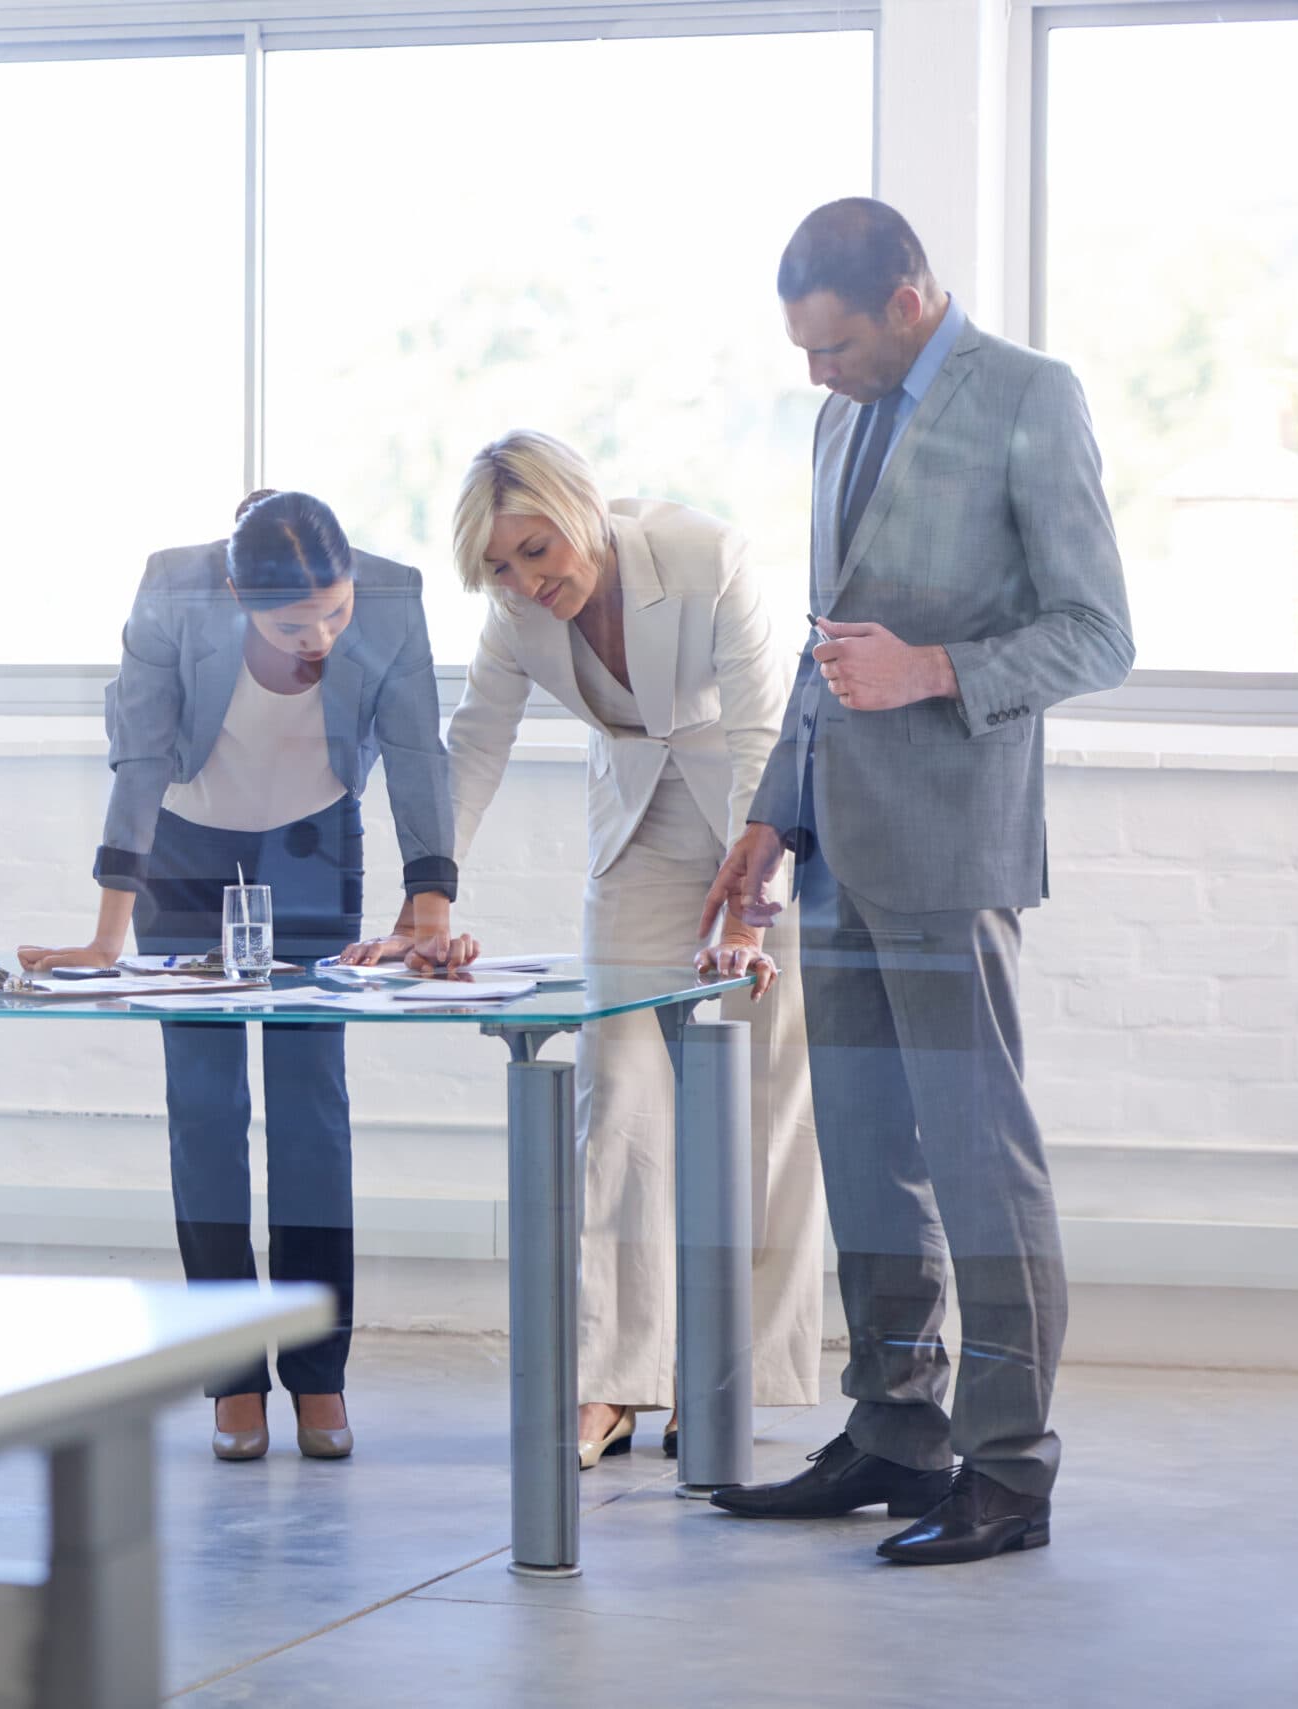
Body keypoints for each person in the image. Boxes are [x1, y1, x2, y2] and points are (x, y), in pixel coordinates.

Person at [700, 198, 1132, 1565]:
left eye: (832, 348)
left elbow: (1098, 632)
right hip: (836, 851)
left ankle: (1008, 1466)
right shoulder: (838, 421)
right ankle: (896, 1430)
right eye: (802, 354)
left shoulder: (1029, 400)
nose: (814, 377)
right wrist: (772, 819)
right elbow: (834, 651)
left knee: (976, 1167)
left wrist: (939, 669)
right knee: (872, 1167)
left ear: (907, 299)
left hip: (952, 851)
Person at [350, 430, 824, 1469]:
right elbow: (475, 738)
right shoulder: (516, 613)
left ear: (581, 511)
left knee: (764, 1101)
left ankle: (728, 1379)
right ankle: (610, 1380)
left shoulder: (705, 557)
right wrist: (424, 903)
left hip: (761, 820)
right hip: (641, 831)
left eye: (536, 550)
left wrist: (748, 907)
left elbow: (757, 731)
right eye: (501, 565)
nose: (525, 580)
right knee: (616, 1094)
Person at [19, 490, 464, 1463]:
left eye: (334, 613)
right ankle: (230, 1376)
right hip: (184, 850)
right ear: (234, 592)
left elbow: (417, 749)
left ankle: (317, 1374)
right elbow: (137, 759)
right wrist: (105, 933)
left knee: (310, 1107)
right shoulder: (171, 593)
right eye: (291, 621)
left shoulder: (392, 598)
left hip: (311, 845)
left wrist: (429, 898)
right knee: (206, 1108)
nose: (319, 637)